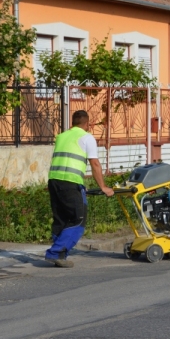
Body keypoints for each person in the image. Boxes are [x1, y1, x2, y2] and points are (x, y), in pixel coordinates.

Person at [45, 110, 114, 268]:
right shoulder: (87, 137)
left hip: (54, 181)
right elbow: (95, 163)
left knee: (61, 219)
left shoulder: (61, 136)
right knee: (78, 219)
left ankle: (60, 255)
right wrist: (103, 187)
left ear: (73, 122)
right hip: (71, 182)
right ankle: (56, 253)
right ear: (87, 124)